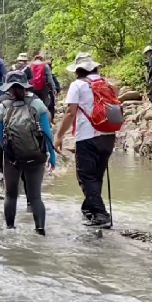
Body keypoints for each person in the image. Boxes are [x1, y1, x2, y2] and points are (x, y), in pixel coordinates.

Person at [0, 71, 56, 235]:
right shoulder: (37, 104)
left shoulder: (3, 106)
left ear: (8, 88)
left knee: (11, 194)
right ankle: (40, 230)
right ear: (25, 85)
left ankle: (10, 229)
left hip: (12, 157)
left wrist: (7, 153)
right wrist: (53, 156)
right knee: (35, 196)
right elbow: (48, 133)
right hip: (36, 155)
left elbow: (1, 137)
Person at [54, 53, 115, 227]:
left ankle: (100, 214)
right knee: (97, 175)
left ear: (78, 70)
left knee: (85, 176)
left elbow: (70, 112)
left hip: (87, 137)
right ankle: (89, 209)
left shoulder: (78, 85)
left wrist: (59, 136)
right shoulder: (106, 83)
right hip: (108, 136)